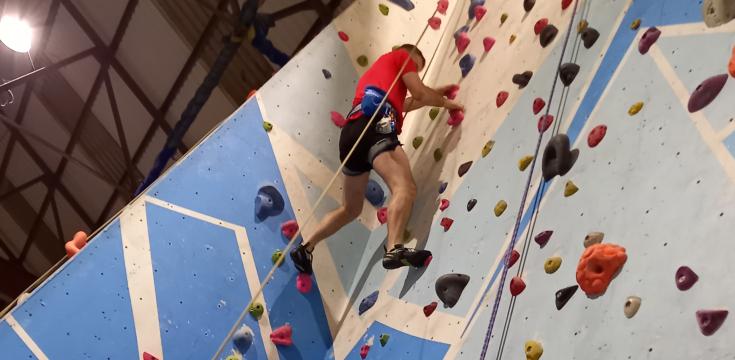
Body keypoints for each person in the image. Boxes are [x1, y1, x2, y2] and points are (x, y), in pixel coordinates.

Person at [290, 44, 464, 274]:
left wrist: (437, 92)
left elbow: (408, 103)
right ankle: (394, 248)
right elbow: (420, 92)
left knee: (350, 209)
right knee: (405, 187)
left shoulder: (382, 74)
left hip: (353, 132)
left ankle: (306, 247)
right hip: (376, 124)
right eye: (417, 67)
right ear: (410, 54)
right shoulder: (402, 56)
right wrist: (446, 103)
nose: (415, 71)